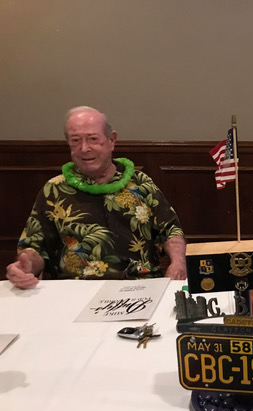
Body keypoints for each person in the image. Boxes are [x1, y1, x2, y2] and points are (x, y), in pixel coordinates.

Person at [6, 106, 187, 289]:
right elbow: (35, 247)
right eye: (75, 140)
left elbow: (170, 230)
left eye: (93, 139)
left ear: (111, 140)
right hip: (74, 290)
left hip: (139, 286)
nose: (84, 148)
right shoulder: (53, 189)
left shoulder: (140, 183)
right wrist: (25, 266)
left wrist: (178, 263)